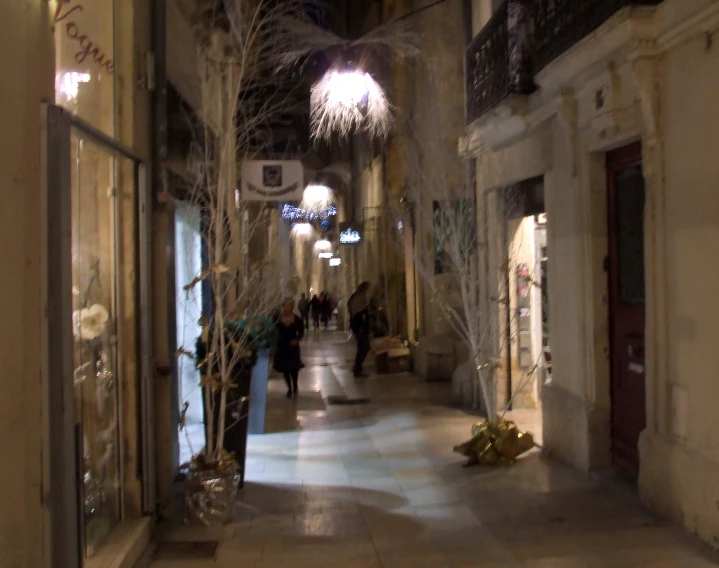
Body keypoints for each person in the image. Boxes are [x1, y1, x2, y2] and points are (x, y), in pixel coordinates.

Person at [273, 297, 305, 398]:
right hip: (282, 347)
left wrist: (297, 339)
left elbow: (301, 331)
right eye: (285, 305)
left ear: (292, 307)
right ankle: (289, 388)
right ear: (283, 306)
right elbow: (272, 330)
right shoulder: (277, 319)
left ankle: (295, 386)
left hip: (293, 347)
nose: (287, 307)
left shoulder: (297, 319)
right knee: (285, 369)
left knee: (294, 368)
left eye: (289, 305)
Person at [348, 281, 371, 377]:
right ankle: (357, 368)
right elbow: (363, 312)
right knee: (363, 346)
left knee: (363, 346)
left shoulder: (354, 296)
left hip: (356, 324)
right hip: (359, 325)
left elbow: (349, 306)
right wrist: (362, 327)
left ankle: (358, 366)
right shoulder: (360, 297)